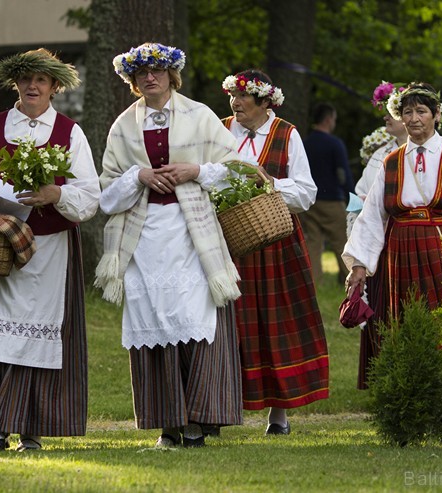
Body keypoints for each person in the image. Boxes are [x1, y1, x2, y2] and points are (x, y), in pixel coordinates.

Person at [0, 48, 100, 451]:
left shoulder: (70, 132)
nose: (33, 86)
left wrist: (55, 193)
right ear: (16, 84)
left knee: (38, 337)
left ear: (54, 87)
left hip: (48, 251)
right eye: (26, 79)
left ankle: (31, 430)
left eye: (41, 80)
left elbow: (88, 197)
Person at [95, 42, 243, 448]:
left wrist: (196, 170)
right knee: (156, 323)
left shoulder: (200, 115)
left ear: (172, 74)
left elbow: (240, 173)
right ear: (132, 80)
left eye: (157, 69)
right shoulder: (123, 126)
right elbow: (105, 194)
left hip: (193, 233)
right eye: (141, 72)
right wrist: (138, 177)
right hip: (143, 238)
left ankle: (197, 421)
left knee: (195, 321)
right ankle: (167, 425)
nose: (150, 77)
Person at [343, 82, 442, 389]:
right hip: (402, 252)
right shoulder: (391, 162)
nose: (414, 118)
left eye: (421, 111)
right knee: (407, 318)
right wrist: (360, 265)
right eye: (408, 112)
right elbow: (372, 215)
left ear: (436, 116)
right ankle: (413, 388)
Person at [221, 69, 329, 434]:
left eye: (243, 96)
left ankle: (278, 415)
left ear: (265, 101)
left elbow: (306, 192)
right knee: (226, 324)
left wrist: (271, 183)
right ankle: (217, 408)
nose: (235, 103)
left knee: (277, 321)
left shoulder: (286, 133)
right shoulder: (219, 130)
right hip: (227, 241)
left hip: (275, 241)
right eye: (232, 96)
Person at [299, 102, 355, 284]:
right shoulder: (334, 144)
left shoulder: (305, 143)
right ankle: (348, 279)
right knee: (342, 242)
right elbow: (342, 174)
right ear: (329, 119)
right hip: (332, 200)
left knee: (313, 243)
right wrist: (353, 198)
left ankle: (313, 282)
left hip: (310, 202)